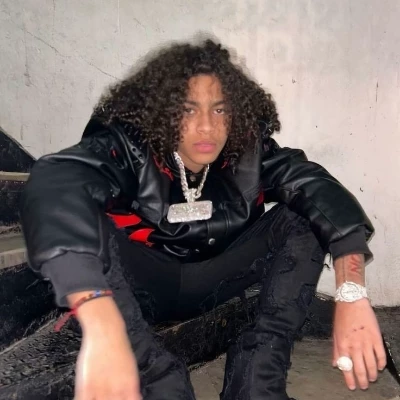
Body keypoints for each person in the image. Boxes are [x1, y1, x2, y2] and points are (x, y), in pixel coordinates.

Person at [20, 38, 386, 400]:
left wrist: (352, 292)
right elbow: (58, 182)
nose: (207, 127)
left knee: (303, 216)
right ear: (163, 113)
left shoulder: (247, 150)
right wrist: (99, 318)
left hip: (216, 276)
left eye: (220, 110)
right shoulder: (128, 144)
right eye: (188, 110)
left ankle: (256, 382)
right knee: (91, 221)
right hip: (143, 283)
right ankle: (157, 377)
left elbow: (314, 185)